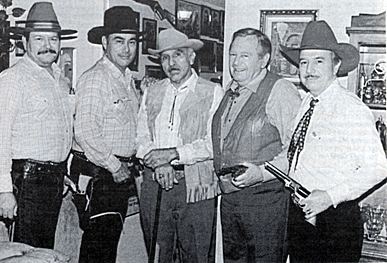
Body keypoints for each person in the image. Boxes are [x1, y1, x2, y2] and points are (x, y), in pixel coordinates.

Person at [280, 20, 387, 263]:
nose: (309, 69)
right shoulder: (307, 101)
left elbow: (379, 166)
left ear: (335, 64)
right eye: (304, 62)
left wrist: (329, 196)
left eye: (319, 60)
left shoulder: (350, 108)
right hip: (302, 215)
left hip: (335, 222)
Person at [0, 2, 76, 248]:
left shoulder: (61, 81)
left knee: (43, 251)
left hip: (53, 179)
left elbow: (59, 131)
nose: (48, 46)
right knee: (25, 252)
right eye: (39, 39)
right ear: (25, 43)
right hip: (28, 181)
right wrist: (4, 190)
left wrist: (61, 172)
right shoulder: (12, 79)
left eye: (53, 39)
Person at [211, 28, 302, 262]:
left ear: (264, 60)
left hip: (266, 202)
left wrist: (261, 174)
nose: (236, 62)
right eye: (232, 55)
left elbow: (297, 151)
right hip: (231, 201)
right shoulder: (231, 89)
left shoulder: (281, 91)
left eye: (245, 56)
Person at [136, 28, 223, 263]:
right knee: (158, 254)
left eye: (177, 55)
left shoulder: (213, 92)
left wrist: (174, 155)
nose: (171, 63)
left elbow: (214, 143)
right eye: (165, 57)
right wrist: (158, 164)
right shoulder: (152, 92)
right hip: (155, 183)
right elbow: (141, 137)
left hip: (195, 186)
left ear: (191, 57)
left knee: (196, 254)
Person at [70, 6, 141, 263]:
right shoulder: (96, 78)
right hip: (100, 175)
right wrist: (114, 165)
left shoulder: (126, 80)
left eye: (132, 42)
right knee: (97, 250)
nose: (126, 48)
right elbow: (86, 130)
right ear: (104, 42)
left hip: (115, 175)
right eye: (119, 41)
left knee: (106, 248)